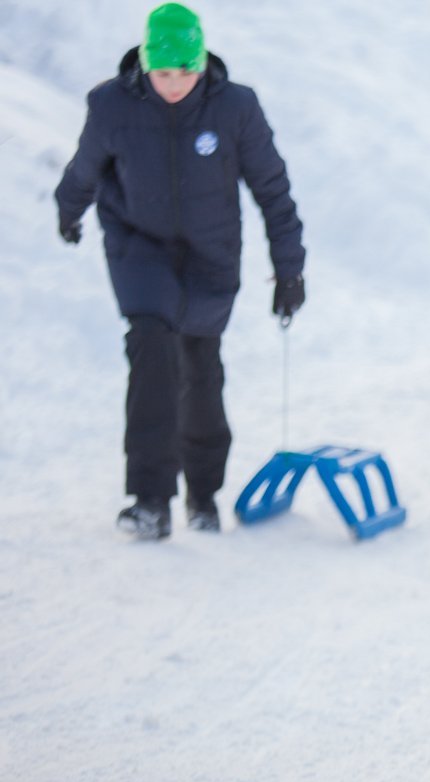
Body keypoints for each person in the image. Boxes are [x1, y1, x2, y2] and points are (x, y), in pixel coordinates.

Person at [55, 3, 306, 539]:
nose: (174, 84)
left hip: (210, 255)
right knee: (151, 347)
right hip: (139, 246)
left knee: (200, 365)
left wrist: (289, 270)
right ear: (145, 64)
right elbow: (85, 166)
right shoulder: (111, 105)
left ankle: (203, 491)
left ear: (201, 64)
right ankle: (150, 500)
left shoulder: (236, 108)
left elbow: (272, 189)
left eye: (185, 72)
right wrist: (68, 208)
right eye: (163, 72)